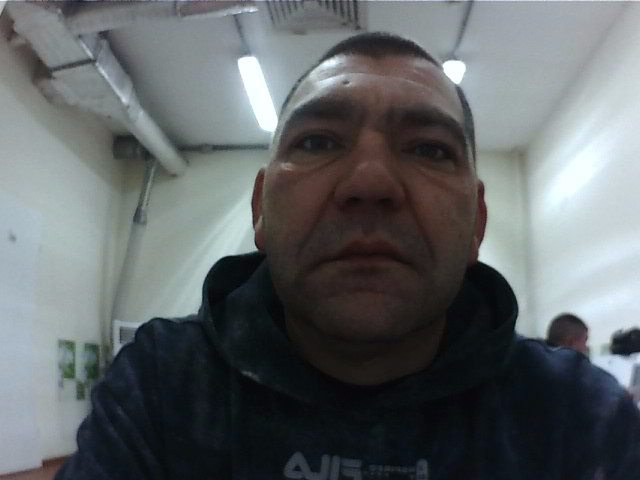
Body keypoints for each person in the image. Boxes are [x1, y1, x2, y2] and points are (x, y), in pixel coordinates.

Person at [55, 32, 640, 479]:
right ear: (260, 209)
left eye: (429, 149)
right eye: (317, 141)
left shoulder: (578, 415)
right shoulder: (162, 384)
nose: (370, 182)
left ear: (477, 223)